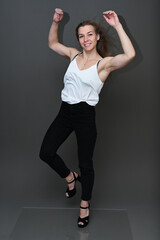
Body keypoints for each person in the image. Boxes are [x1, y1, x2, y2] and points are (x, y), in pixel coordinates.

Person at [39, 8, 135, 228]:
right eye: (81, 36)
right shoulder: (73, 55)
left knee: (86, 164)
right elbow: (53, 44)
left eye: (90, 34)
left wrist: (117, 25)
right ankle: (70, 178)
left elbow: (129, 55)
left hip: (84, 116)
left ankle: (84, 204)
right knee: (45, 152)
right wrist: (55, 22)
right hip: (65, 112)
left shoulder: (104, 64)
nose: (85, 39)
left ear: (97, 36)